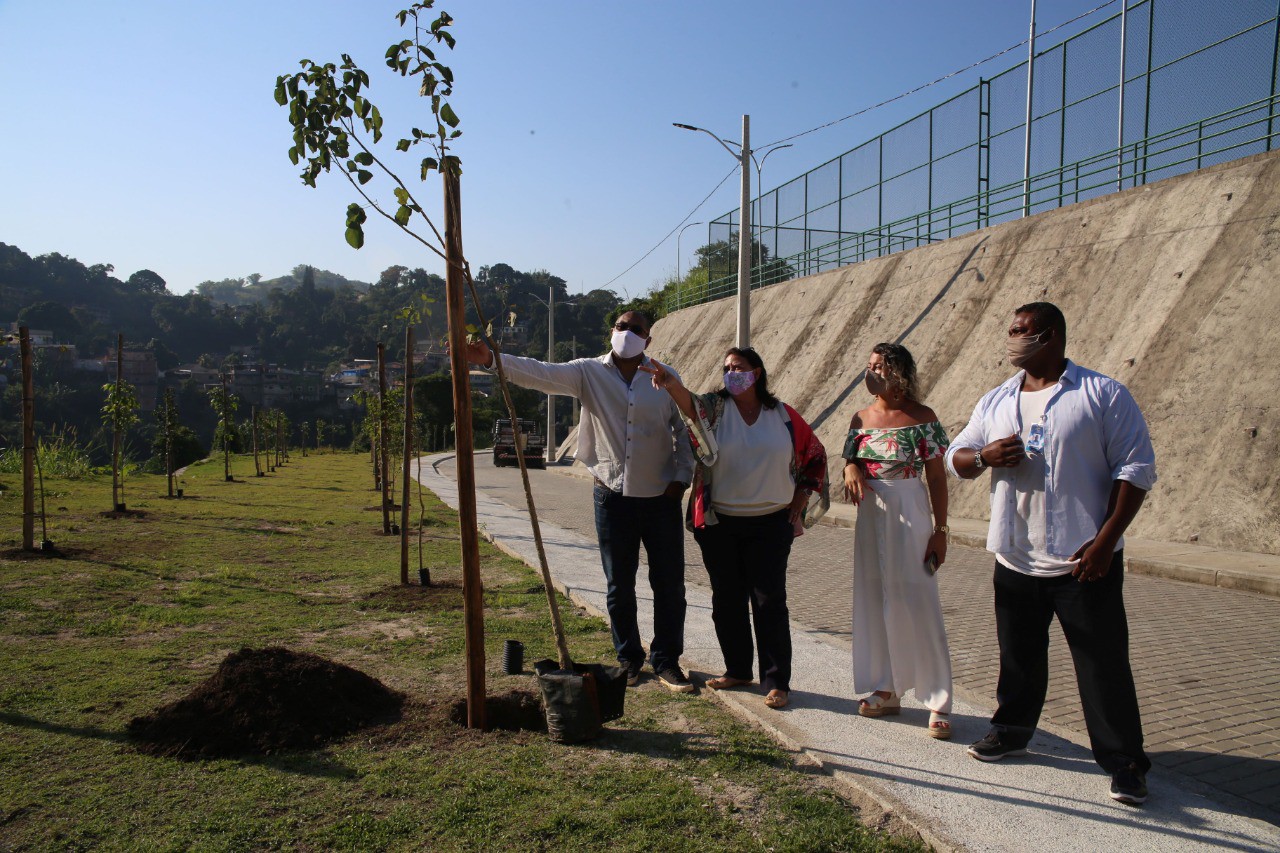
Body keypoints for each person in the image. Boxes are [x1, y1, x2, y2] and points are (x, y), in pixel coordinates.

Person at [945, 302, 1156, 806]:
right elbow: (958, 456)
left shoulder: (1101, 394)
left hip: (1084, 560)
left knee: (1102, 663)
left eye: (1022, 331)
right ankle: (1011, 731)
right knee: (1017, 656)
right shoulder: (996, 399)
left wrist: (1105, 541)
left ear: (1051, 336)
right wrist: (984, 457)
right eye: (1011, 330)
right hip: (1016, 555)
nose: (1012, 338)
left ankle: (1124, 762)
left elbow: (1136, 469)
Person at [462, 310, 697, 692]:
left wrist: (681, 479)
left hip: (660, 497)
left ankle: (667, 661)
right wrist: (491, 360)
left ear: (648, 340)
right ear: (611, 332)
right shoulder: (589, 372)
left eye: (636, 329)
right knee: (619, 585)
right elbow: (540, 373)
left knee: (669, 585)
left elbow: (683, 428)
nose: (627, 333)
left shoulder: (664, 377)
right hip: (611, 496)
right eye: (621, 327)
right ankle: (629, 659)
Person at [640, 347, 828, 710]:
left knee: (769, 601)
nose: (731, 373)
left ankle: (776, 681)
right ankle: (738, 669)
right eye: (726, 368)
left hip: (772, 523)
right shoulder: (715, 409)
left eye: (738, 367)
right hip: (720, 522)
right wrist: (669, 383)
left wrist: (801, 497)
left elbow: (815, 456)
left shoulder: (784, 415)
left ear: (756, 372)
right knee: (726, 601)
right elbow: (690, 405)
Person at [842, 343, 953, 739]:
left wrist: (940, 532)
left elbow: (937, 478)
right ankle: (887, 689)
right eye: (869, 365)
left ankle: (938, 700)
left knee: (917, 599)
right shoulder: (860, 417)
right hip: (871, 515)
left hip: (911, 508)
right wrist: (852, 468)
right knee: (876, 598)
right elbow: (851, 458)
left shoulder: (923, 418)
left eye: (879, 366)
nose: (871, 372)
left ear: (900, 372)